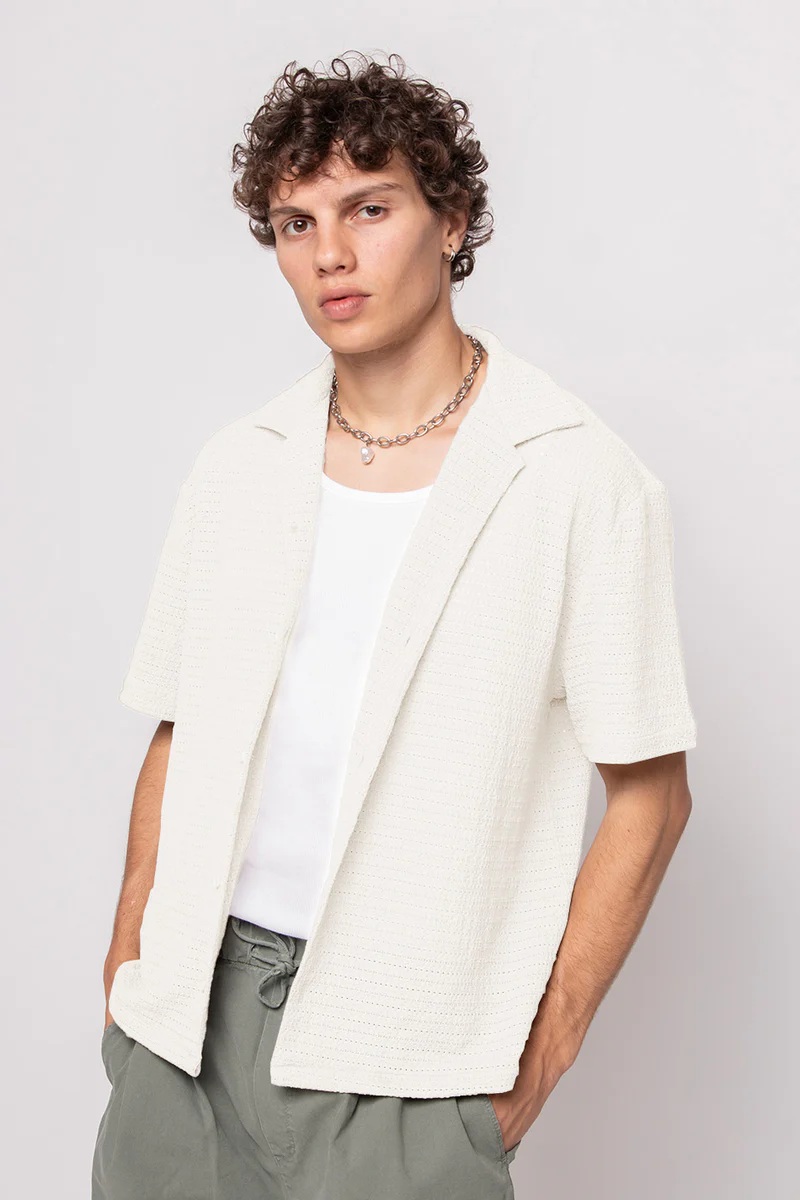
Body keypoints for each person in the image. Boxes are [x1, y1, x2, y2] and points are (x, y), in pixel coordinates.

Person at [92, 51, 698, 1200]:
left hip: (412, 1058)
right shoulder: (239, 466)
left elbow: (650, 794)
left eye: (368, 209)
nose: (330, 252)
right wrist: (130, 964)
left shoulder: (574, 478)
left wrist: (541, 1052)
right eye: (295, 222)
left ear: (449, 218)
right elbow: (178, 730)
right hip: (184, 1033)